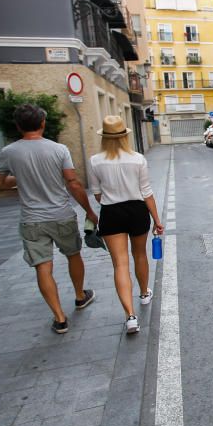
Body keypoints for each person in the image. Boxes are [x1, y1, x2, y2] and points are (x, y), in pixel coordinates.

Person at [0, 104, 98, 334]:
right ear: (42, 123)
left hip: (32, 220)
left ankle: (59, 318)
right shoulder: (59, 149)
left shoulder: (9, 152)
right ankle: (80, 296)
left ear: (18, 126)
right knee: (73, 255)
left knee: (43, 266)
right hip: (61, 214)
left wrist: (17, 178)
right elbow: (73, 183)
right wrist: (88, 210)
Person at [88, 115, 163, 335]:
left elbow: (97, 195)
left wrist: (113, 198)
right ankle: (143, 293)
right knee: (139, 254)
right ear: (124, 136)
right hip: (137, 210)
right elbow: (147, 193)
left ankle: (130, 316)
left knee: (119, 264)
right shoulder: (138, 159)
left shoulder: (95, 161)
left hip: (111, 213)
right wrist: (157, 221)